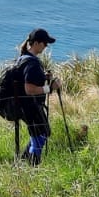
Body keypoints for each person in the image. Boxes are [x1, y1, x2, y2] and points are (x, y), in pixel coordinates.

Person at [17, 28, 61, 165]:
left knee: (38, 134)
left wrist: (44, 77)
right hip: (31, 105)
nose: (46, 47)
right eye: (44, 43)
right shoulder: (32, 63)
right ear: (36, 43)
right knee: (41, 135)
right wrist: (50, 88)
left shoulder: (23, 58)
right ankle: (32, 165)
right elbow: (29, 89)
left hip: (23, 106)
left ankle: (22, 163)